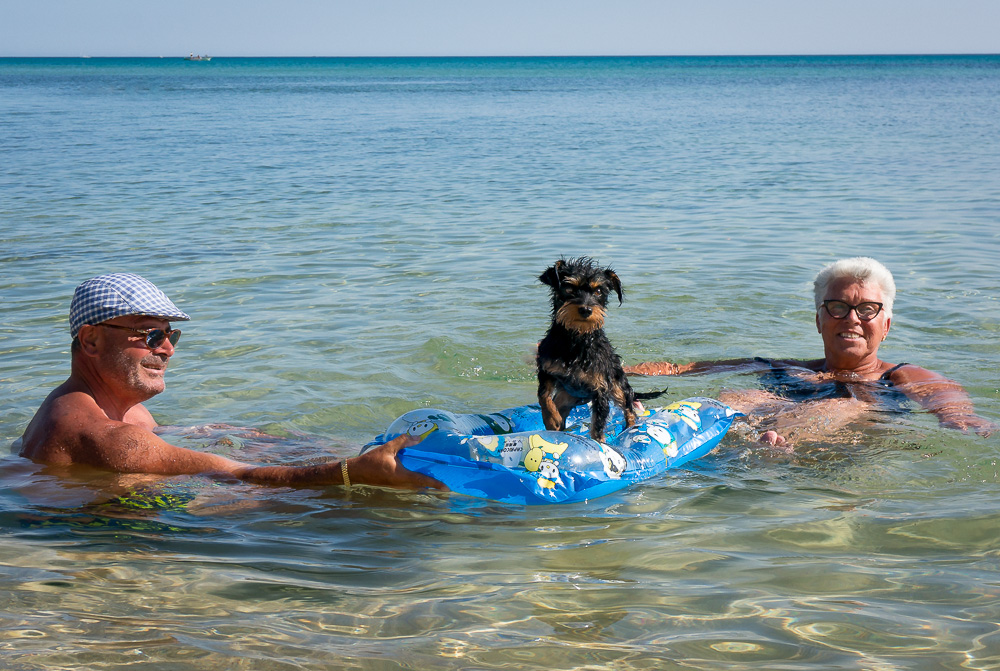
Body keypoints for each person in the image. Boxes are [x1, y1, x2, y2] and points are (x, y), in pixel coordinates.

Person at [18, 273, 443, 491]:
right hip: (110, 542)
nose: (167, 349)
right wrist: (350, 472)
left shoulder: (118, 410)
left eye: (170, 335)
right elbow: (242, 477)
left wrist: (299, 445)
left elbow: (182, 446)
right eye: (151, 335)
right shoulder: (104, 434)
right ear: (90, 339)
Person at [626, 257, 994, 447]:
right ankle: (660, 429)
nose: (852, 318)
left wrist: (958, 417)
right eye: (837, 307)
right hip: (771, 418)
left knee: (846, 404)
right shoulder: (783, 368)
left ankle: (776, 447)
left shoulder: (895, 375)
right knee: (743, 394)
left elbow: (943, 392)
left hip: (841, 442)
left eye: (867, 309)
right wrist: (613, 371)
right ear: (819, 319)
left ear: (886, 324)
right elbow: (683, 369)